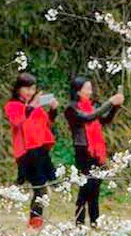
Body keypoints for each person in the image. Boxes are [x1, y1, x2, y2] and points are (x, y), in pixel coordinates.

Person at [64, 76, 124, 228]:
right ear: (78, 91)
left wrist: (115, 107)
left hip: (97, 151)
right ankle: (79, 222)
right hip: (83, 150)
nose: (90, 91)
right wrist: (110, 102)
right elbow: (89, 118)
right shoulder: (71, 109)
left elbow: (104, 120)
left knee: (95, 187)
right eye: (87, 88)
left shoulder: (91, 107)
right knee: (85, 186)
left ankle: (95, 222)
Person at [3, 73, 59, 230]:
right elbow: (17, 121)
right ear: (18, 89)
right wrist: (31, 106)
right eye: (26, 88)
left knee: (48, 186)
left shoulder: (36, 105)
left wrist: (53, 109)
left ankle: (36, 221)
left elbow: (47, 122)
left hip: (41, 149)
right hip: (27, 152)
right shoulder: (12, 105)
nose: (30, 91)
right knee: (39, 187)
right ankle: (34, 223)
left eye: (33, 88)